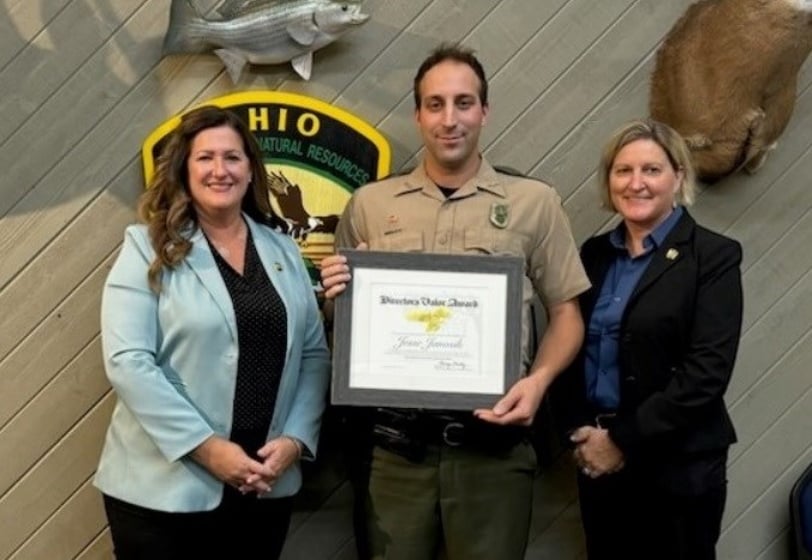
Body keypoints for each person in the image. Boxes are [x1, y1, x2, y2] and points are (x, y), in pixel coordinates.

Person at [319, 43, 591, 560]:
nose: (450, 119)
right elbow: (342, 323)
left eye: (464, 103)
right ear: (418, 114)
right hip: (394, 453)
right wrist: (335, 293)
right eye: (435, 104)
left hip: (494, 449)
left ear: (484, 111)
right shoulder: (370, 205)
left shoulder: (534, 202)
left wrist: (537, 383)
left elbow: (566, 315)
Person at [94, 105, 330, 559]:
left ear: (250, 170)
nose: (219, 170)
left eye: (233, 157)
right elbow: (128, 363)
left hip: (263, 486)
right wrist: (207, 449)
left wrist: (296, 441)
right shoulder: (146, 246)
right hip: (163, 493)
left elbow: (314, 355)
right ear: (185, 168)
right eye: (205, 158)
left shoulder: (281, 247)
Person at [555, 118, 743, 560]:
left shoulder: (713, 256)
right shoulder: (594, 255)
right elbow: (569, 344)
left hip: (678, 466)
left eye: (652, 170)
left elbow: (706, 373)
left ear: (678, 176)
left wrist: (620, 440)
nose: (636, 183)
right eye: (623, 171)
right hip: (598, 460)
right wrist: (578, 432)